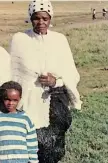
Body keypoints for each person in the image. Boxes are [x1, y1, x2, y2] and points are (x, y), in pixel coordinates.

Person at [10, 0, 82, 162]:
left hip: (56, 101)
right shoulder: (20, 39)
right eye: (36, 18)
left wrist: (55, 81)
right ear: (30, 18)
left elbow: (71, 72)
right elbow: (14, 73)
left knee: (54, 145)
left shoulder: (59, 40)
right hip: (29, 103)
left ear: (50, 18)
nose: (41, 22)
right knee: (33, 144)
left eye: (45, 18)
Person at [0, 81, 38, 163]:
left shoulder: (25, 119)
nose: (10, 103)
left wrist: (33, 161)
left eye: (15, 100)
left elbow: (32, 145)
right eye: (7, 99)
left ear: (20, 99)